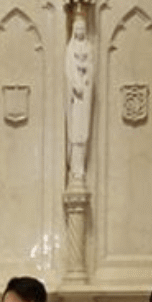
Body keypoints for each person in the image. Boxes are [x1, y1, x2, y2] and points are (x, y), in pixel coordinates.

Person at [65, 13, 92, 184]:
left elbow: (91, 67)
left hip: (85, 95)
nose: (80, 31)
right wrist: (75, 83)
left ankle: (80, 169)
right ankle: (75, 169)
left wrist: (86, 74)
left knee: (82, 132)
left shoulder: (89, 47)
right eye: (78, 28)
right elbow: (68, 70)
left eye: (83, 28)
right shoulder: (70, 48)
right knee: (75, 133)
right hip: (75, 96)